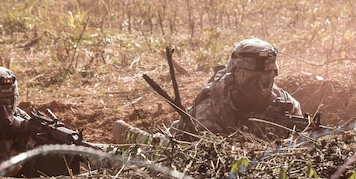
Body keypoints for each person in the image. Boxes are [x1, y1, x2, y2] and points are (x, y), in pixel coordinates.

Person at [113, 38, 303, 143]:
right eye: (248, 79)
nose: (257, 88)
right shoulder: (213, 105)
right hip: (182, 144)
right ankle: (132, 136)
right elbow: (208, 156)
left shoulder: (287, 107)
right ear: (233, 75)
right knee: (155, 148)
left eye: (265, 79)